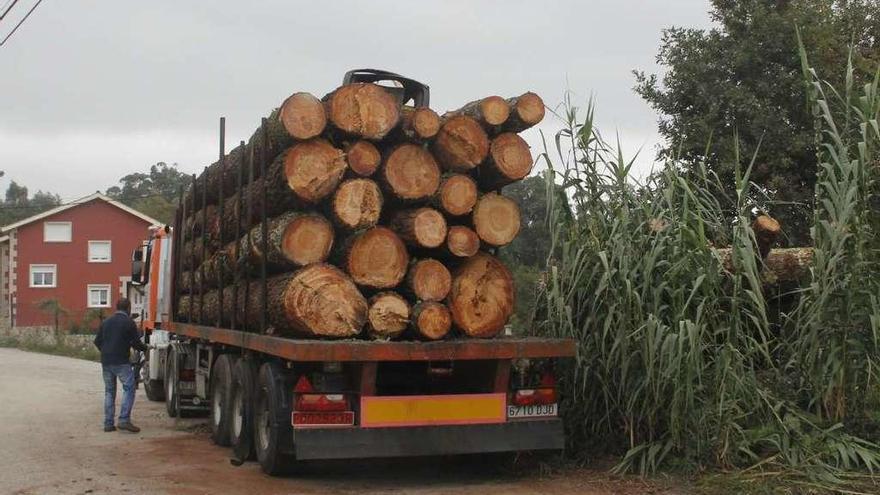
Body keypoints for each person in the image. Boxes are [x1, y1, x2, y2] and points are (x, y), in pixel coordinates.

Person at [93, 297, 148, 433]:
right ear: (128, 308)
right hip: (121, 362)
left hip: (106, 361)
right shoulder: (129, 323)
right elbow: (136, 343)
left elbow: (97, 341)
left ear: (116, 308)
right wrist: (145, 348)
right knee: (129, 388)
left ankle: (108, 424)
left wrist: (106, 352)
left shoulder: (106, 322)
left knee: (109, 391)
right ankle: (123, 420)